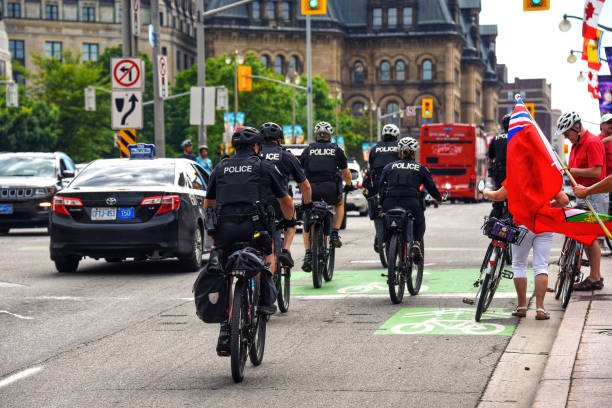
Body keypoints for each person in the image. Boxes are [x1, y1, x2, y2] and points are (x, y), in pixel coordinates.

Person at [204, 126, 294, 356]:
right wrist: (289, 220)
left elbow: (208, 205)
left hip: (225, 230)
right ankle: (263, 302)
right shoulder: (264, 166)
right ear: (256, 146)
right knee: (267, 257)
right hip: (255, 229)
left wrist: (214, 229)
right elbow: (285, 200)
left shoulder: (220, 167)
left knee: (225, 271)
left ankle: (226, 328)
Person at [483, 186, 569, 320]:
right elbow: (564, 200)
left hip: (522, 224)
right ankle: (540, 309)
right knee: (541, 266)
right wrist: (547, 206)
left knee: (519, 264)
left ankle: (522, 307)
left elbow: (498, 196)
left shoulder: (516, 174)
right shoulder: (546, 174)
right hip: (545, 223)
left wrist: (485, 191)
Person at [556, 111, 608, 290]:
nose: (566, 137)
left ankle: (595, 278)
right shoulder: (576, 144)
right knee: (585, 235)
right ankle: (596, 275)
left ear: (577, 128)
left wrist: (572, 170)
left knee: (591, 236)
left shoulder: (592, 142)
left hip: (594, 193)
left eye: (567, 133)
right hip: (581, 193)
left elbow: (596, 172)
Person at [299, 121, 353, 272]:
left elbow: (299, 168)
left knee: (307, 216)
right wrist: (349, 184)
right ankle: (335, 232)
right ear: (330, 136)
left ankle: (308, 253)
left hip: (311, 190)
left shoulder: (308, 149)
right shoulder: (336, 149)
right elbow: (346, 173)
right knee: (340, 203)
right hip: (330, 189)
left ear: (316, 136)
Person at [378, 137, 441, 260]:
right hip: (412, 203)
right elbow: (431, 187)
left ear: (400, 152)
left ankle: (388, 240)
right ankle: (416, 243)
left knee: (386, 219)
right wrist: (439, 198)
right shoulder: (420, 168)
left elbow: (381, 186)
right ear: (414, 153)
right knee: (420, 222)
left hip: (389, 202)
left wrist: (382, 202)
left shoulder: (389, 167)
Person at [259, 122, 312, 268]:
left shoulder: (254, 155)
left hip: (253, 205)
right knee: (292, 218)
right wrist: (307, 205)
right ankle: (286, 250)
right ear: (279, 140)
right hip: (278, 205)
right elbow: (305, 185)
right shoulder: (286, 156)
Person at [366, 124, 400, 253]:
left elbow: (371, 167)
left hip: (376, 184)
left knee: (376, 210)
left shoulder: (374, 149)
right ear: (396, 136)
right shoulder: (399, 147)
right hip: (393, 184)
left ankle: (378, 234)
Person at [487, 114, 510, 218]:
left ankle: (495, 219)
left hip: (499, 171)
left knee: (498, 198)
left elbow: (490, 157)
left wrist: (490, 169)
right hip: (513, 171)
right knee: (514, 197)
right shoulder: (517, 136)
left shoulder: (496, 138)